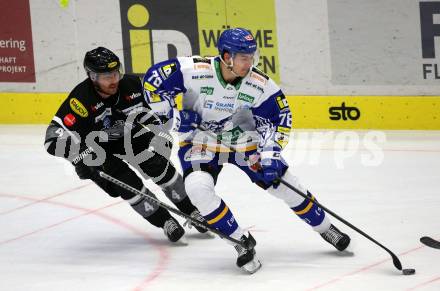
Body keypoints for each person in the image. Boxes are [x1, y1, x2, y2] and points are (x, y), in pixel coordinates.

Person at [142, 28, 351, 273]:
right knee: (197, 189)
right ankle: (240, 241)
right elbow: (151, 84)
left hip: (244, 143)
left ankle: (326, 228)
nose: (249, 63)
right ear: (226, 56)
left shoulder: (259, 84)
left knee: (285, 185)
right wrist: (174, 119)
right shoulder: (193, 71)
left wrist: (270, 153)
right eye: (244, 58)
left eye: (252, 57)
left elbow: (279, 118)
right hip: (200, 142)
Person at [44, 46, 209, 244]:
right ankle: (164, 221)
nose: (114, 80)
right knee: (127, 185)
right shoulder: (80, 100)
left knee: (157, 164)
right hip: (97, 149)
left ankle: (191, 210)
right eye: (106, 76)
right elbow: (52, 139)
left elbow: (156, 113)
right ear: (92, 76)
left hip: (129, 135)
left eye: (115, 73)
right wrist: (79, 155)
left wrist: (166, 129)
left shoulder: (131, 85)